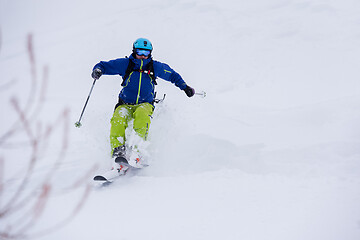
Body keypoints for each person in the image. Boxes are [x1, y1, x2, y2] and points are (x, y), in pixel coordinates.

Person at [91, 38, 195, 174]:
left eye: (146, 52)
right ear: (134, 51)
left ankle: (137, 153)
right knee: (118, 119)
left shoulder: (155, 67)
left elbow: (172, 75)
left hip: (145, 103)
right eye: (140, 51)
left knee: (142, 116)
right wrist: (98, 70)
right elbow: (104, 65)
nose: (143, 55)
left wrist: (185, 87)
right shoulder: (125, 64)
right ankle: (118, 154)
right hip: (125, 103)